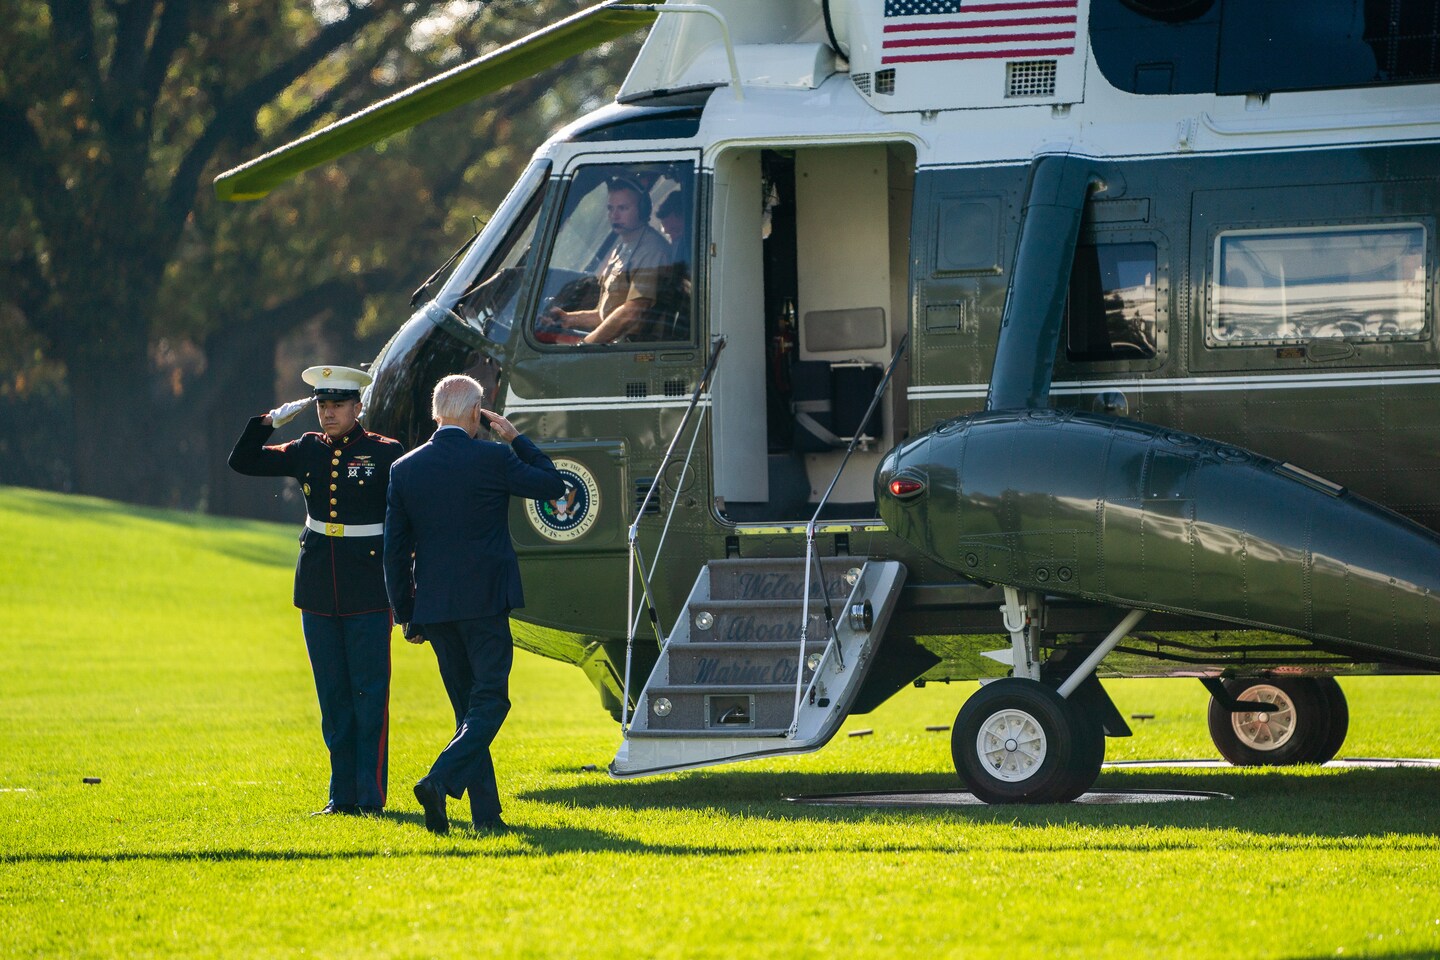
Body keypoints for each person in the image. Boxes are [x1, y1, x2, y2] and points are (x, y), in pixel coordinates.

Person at [384, 375, 565, 834]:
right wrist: (516, 437)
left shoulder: (404, 468)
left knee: (468, 710)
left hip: (435, 607)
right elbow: (552, 485)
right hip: (485, 602)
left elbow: (394, 549)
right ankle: (439, 778)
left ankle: (486, 814)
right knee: (491, 701)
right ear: (476, 413)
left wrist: (406, 613)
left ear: (435, 412)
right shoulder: (493, 456)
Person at [228, 365, 403, 816]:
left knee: (369, 696)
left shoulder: (385, 453)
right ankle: (340, 796)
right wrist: (268, 422)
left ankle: (371, 797)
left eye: (338, 405)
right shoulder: (306, 448)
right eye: (323, 405)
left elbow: (403, 519)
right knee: (333, 699)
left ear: (357, 406)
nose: (328, 413)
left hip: (368, 588)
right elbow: (243, 461)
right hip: (318, 589)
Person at [547, 176, 672, 343]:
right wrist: (568, 319)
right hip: (617, 345)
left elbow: (632, 311)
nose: (615, 215)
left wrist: (586, 345)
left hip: (636, 349)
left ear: (642, 210)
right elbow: (606, 313)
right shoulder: (622, 247)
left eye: (623, 208)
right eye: (610, 208)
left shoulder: (651, 250)